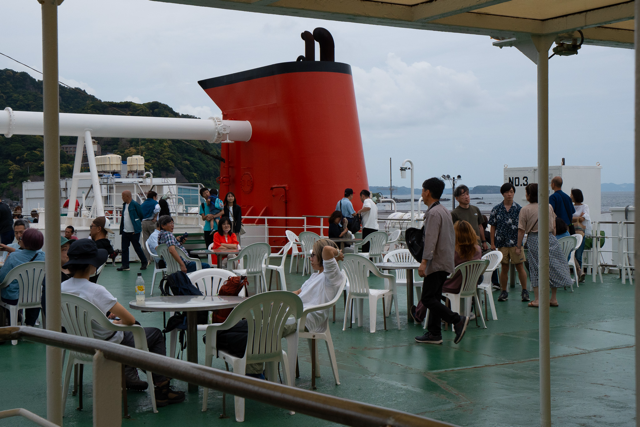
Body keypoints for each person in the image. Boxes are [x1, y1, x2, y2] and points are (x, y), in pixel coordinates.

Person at [61, 239, 185, 404]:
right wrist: (115, 323)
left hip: (79, 344)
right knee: (153, 334)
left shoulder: (61, 288)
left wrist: (103, 319)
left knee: (126, 329)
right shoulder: (96, 290)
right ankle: (162, 388)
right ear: (92, 266)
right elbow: (129, 320)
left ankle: (129, 373)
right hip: (107, 345)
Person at [218, 239, 344, 377]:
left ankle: (254, 373)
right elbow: (298, 292)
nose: (310, 258)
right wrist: (279, 300)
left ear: (322, 257)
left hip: (304, 318)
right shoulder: (316, 275)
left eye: (313, 254)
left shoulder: (332, 276)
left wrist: (338, 254)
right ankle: (223, 337)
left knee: (266, 329)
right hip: (293, 313)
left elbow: (327, 249)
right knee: (255, 320)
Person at [413, 178, 469, 345]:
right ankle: (434, 333)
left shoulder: (433, 213)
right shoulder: (444, 211)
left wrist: (424, 262)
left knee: (428, 298)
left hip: (436, 263)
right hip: (445, 261)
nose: (422, 194)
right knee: (435, 297)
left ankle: (457, 319)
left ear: (428, 192)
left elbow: (430, 240)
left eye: (423, 191)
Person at [517, 183, 573, 308]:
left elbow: (521, 230)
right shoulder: (548, 207)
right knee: (553, 267)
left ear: (529, 195)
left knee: (536, 268)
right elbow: (553, 227)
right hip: (549, 238)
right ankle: (553, 298)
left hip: (534, 239)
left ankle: (538, 299)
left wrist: (518, 246)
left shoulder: (525, 209)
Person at [488, 183, 529, 302]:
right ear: (503, 194)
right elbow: (492, 227)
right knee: (504, 267)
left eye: (511, 191)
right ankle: (503, 291)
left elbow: (522, 227)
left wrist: (519, 244)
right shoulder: (496, 209)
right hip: (501, 243)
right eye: (507, 192)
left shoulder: (519, 208)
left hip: (516, 243)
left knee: (520, 266)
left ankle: (524, 291)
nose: (509, 194)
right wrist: (492, 243)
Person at [0, 228, 45, 326]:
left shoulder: (13, 257)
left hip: (14, 298)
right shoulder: (44, 257)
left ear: (25, 241)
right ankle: (30, 324)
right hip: (35, 296)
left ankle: (12, 321)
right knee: (34, 293)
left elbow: (2, 278)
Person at [441, 220, 483, 295]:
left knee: (431, 283)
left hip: (452, 286)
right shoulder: (478, 249)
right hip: (471, 285)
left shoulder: (453, 251)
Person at [118, 190, 148, 272]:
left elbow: (141, 215)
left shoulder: (135, 205)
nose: (122, 198)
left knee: (137, 248)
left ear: (127, 196)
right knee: (124, 248)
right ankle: (125, 265)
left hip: (133, 232)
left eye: (123, 196)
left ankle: (144, 262)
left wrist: (136, 227)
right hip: (125, 231)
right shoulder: (124, 205)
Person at [451, 185, 488, 251]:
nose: (466, 197)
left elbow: (480, 226)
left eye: (467, 194)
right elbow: (453, 232)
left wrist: (484, 241)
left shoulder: (475, 209)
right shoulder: (454, 213)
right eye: (463, 195)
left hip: (477, 245)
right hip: (463, 247)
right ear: (457, 198)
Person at [571, 188, 590, 282]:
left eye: (571, 195)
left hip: (580, 234)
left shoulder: (584, 206)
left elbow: (584, 218)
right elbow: (579, 218)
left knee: (578, 254)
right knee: (572, 253)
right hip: (572, 233)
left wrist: (575, 219)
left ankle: (578, 276)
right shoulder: (571, 206)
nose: (570, 196)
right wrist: (579, 217)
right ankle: (578, 272)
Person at [141, 191, 161, 263]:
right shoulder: (155, 203)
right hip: (152, 223)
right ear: (154, 197)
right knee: (155, 240)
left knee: (146, 241)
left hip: (143, 223)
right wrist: (155, 217)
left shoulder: (143, 204)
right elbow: (157, 209)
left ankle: (147, 259)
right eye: (156, 197)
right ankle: (155, 257)